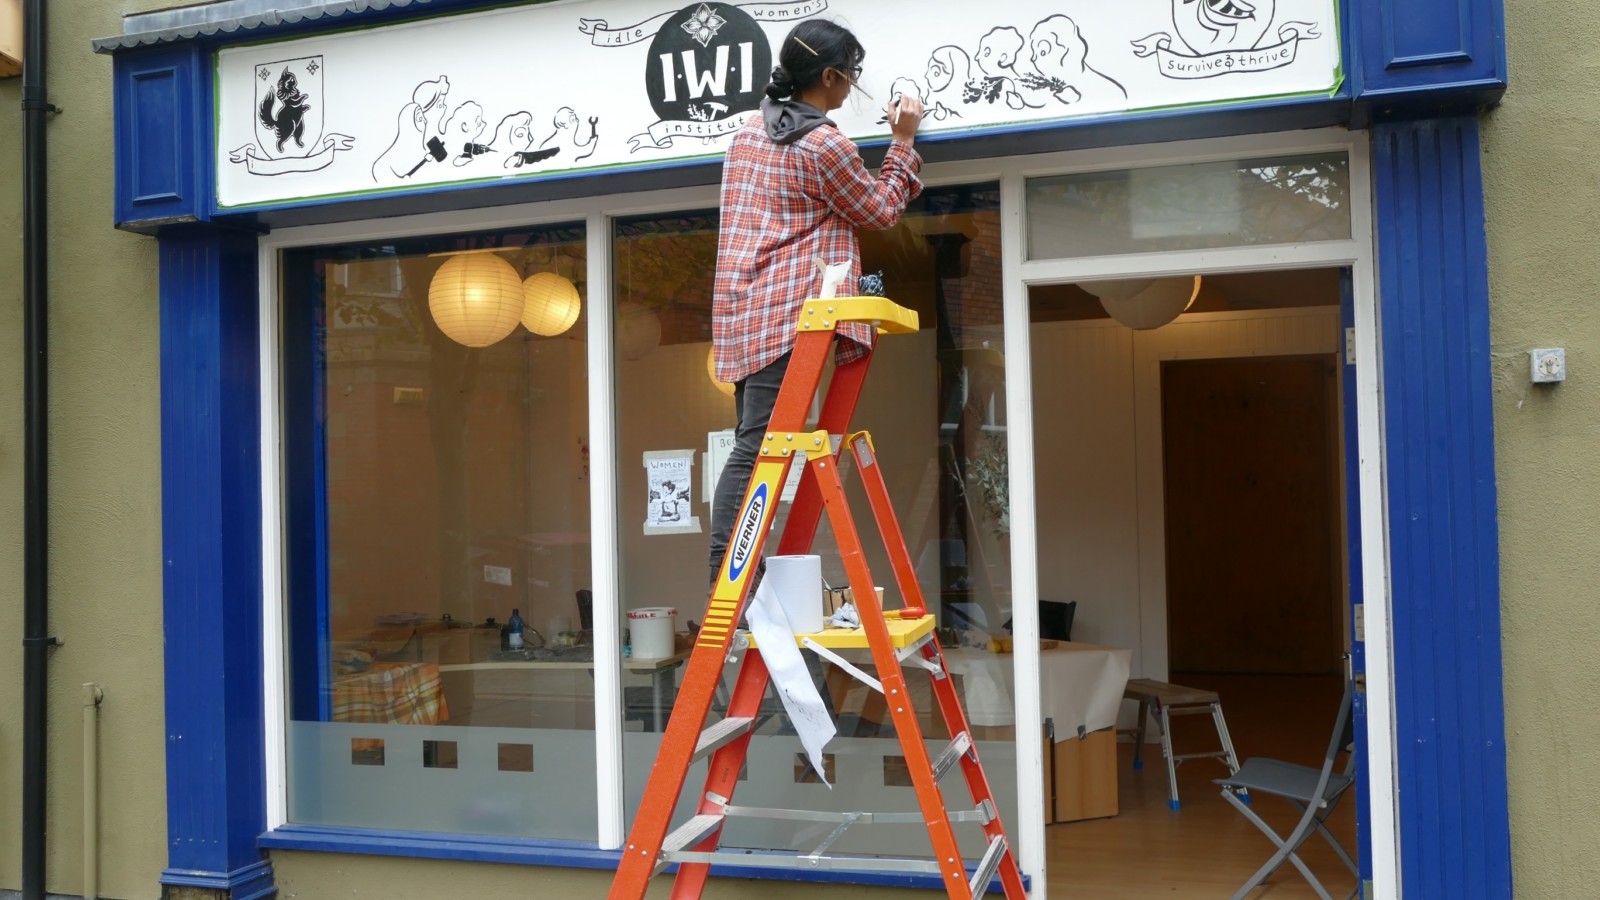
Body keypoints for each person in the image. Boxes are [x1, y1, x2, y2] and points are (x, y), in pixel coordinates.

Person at [707, 20, 927, 584]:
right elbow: (878, 210)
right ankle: (728, 573)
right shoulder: (824, 144)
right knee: (756, 445)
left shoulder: (748, 134)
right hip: (787, 316)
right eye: (849, 76)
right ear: (827, 76)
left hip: (744, 312)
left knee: (755, 441)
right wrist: (902, 143)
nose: (852, 87)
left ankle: (737, 571)